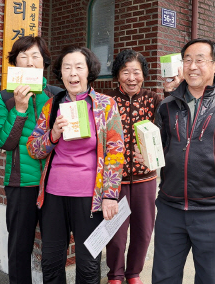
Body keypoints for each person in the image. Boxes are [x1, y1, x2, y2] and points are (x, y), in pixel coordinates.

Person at [147, 38, 215, 284]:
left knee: (209, 279)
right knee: (163, 278)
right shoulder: (166, 106)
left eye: (199, 60)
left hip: (214, 211)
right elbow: (159, 151)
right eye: (187, 60)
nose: (192, 66)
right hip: (170, 209)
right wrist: (145, 156)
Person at [26, 45, 125, 284]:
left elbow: (115, 150)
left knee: (89, 262)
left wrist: (110, 195)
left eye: (79, 67)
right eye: (67, 68)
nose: (73, 73)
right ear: (60, 74)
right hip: (53, 196)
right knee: (50, 260)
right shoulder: (52, 106)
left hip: (89, 198)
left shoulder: (105, 105)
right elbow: (33, 148)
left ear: (89, 71)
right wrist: (53, 134)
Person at [105, 49, 181, 284]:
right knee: (115, 232)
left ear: (144, 75)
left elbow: (172, 119)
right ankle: (115, 274)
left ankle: (133, 273)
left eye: (136, 72)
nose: (131, 78)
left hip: (145, 179)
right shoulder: (107, 101)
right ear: (117, 75)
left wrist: (171, 91)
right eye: (125, 72)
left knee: (144, 229)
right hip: (114, 180)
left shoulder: (153, 99)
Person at [0, 36, 62, 284]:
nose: (30, 62)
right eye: (24, 56)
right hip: (21, 184)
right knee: (19, 247)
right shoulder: (3, 98)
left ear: (43, 63)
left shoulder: (58, 95)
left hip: (55, 185)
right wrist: (19, 109)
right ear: (14, 62)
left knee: (54, 249)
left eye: (36, 57)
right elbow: (4, 142)